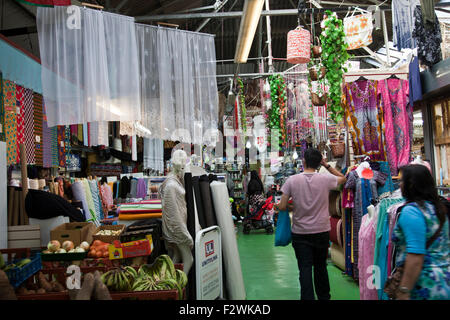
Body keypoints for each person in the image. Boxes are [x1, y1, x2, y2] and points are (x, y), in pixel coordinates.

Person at [276, 148, 346, 300]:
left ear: (304, 161)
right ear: (318, 162)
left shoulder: (291, 181)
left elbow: (281, 206)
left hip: (300, 233)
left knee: (305, 269)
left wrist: (293, 207)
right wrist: (326, 166)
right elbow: (343, 178)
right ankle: (324, 297)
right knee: (321, 267)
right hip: (321, 231)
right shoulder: (324, 179)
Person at [392, 164, 449, 300]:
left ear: (410, 185)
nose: (400, 185)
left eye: (401, 181)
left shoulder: (412, 212)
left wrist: (404, 290)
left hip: (424, 286)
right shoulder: (438, 209)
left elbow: (415, 256)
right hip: (444, 282)